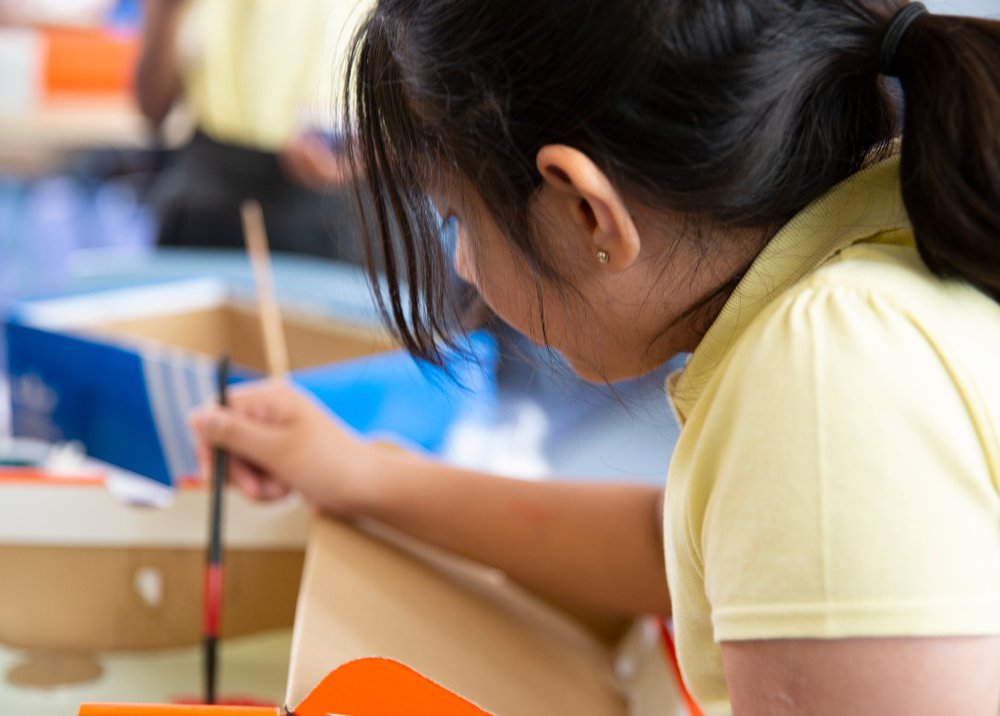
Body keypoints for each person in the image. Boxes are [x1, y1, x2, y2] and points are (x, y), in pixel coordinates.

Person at [191, 1, 1000, 713]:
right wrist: (363, 474)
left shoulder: (822, 373)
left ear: (586, 211)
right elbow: (674, 551)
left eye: (455, 221)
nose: (465, 266)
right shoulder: (861, 270)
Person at [135, 0, 365, 261]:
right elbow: (152, 105)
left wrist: (356, 161)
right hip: (211, 188)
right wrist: (167, 12)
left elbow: (412, 114)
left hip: (331, 199)